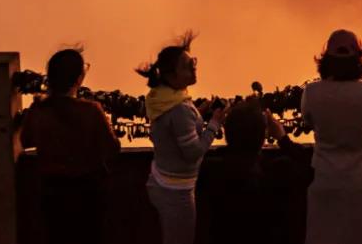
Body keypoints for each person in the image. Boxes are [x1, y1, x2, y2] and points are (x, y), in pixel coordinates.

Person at [19, 48, 120, 244]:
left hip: (52, 190)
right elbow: (112, 148)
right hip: (88, 191)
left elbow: (26, 140)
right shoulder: (91, 110)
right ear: (78, 79)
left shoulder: (40, 110)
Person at [300, 29, 362, 244]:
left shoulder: (311, 92)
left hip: (325, 182)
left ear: (326, 60)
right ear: (358, 60)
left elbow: (308, 120)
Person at [137, 32, 228, 244]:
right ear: (171, 75)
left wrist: (199, 112)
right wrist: (214, 123)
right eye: (187, 66)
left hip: (160, 180)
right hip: (176, 190)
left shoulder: (162, 99)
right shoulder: (180, 108)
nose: (193, 68)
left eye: (193, 63)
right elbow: (193, 153)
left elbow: (172, 129)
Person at [202, 100, 312, 244]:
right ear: (263, 134)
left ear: (227, 132)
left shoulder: (212, 170)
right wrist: (282, 138)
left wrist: (209, 124)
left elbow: (191, 157)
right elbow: (310, 166)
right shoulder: (279, 172)